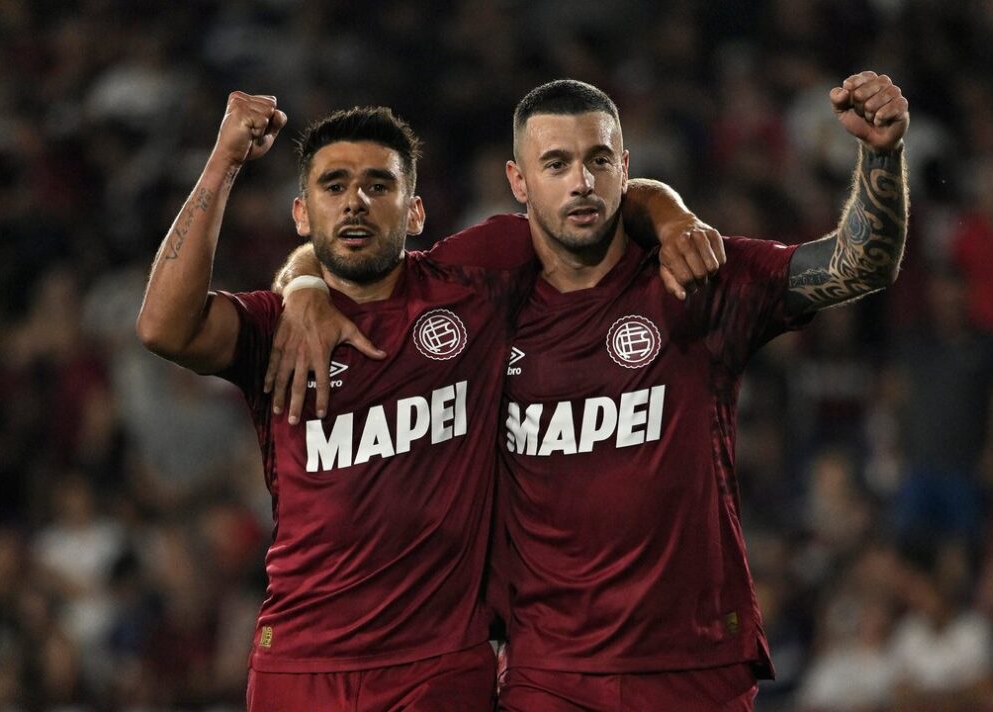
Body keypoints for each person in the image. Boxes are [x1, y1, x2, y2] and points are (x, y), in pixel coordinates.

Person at [274, 72, 909, 711]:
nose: (581, 182)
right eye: (555, 164)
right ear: (518, 183)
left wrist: (881, 154)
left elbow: (859, 265)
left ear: (623, 170)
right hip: (548, 676)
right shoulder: (481, 295)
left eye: (598, 160)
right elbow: (364, 259)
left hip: (692, 665)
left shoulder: (691, 278)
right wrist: (302, 285)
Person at [135, 93, 717, 711]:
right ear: (302, 214)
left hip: (440, 666)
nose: (356, 201)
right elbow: (163, 328)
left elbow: (594, 203)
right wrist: (227, 161)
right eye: (335, 186)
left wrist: (674, 216)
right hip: (302, 660)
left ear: (414, 212)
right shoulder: (276, 327)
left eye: (378, 185)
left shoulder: (475, 279)